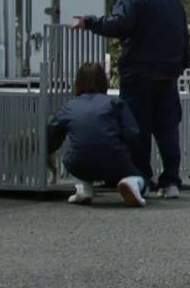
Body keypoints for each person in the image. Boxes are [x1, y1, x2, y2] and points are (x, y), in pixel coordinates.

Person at [73, 0, 190, 199]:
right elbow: (183, 34)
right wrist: (180, 64)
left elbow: (120, 25)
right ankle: (171, 182)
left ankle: (142, 180)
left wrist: (91, 23)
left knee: (138, 130)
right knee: (168, 130)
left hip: (138, 74)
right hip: (167, 74)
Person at [47, 63, 148, 207]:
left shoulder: (68, 106)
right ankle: (133, 183)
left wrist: (50, 149)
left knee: (82, 161)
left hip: (78, 162)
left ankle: (84, 188)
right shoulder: (115, 103)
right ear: (103, 82)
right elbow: (133, 134)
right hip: (115, 160)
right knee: (141, 177)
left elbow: (52, 136)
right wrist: (126, 153)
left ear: (78, 82)